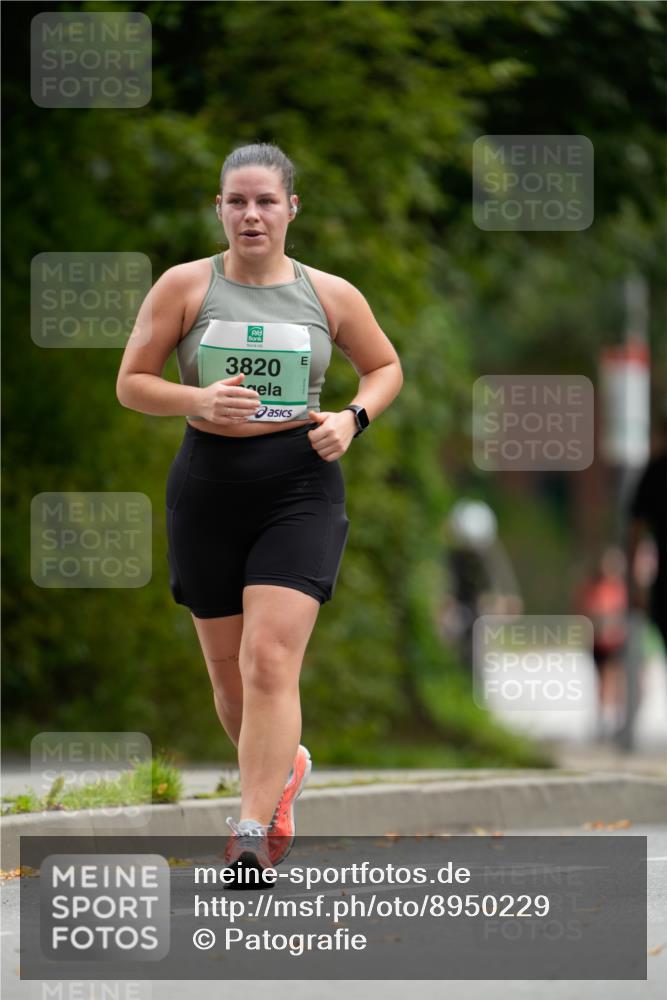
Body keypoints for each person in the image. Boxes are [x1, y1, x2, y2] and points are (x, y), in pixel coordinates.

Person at [116, 142, 403, 872]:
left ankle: (250, 828)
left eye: (266, 201)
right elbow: (132, 383)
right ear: (219, 208)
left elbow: (384, 367)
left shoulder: (329, 295)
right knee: (231, 680)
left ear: (290, 209)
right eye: (237, 201)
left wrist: (352, 419)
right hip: (207, 486)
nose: (251, 215)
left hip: (300, 483)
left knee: (269, 658)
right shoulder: (185, 287)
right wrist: (196, 398)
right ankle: (284, 770)